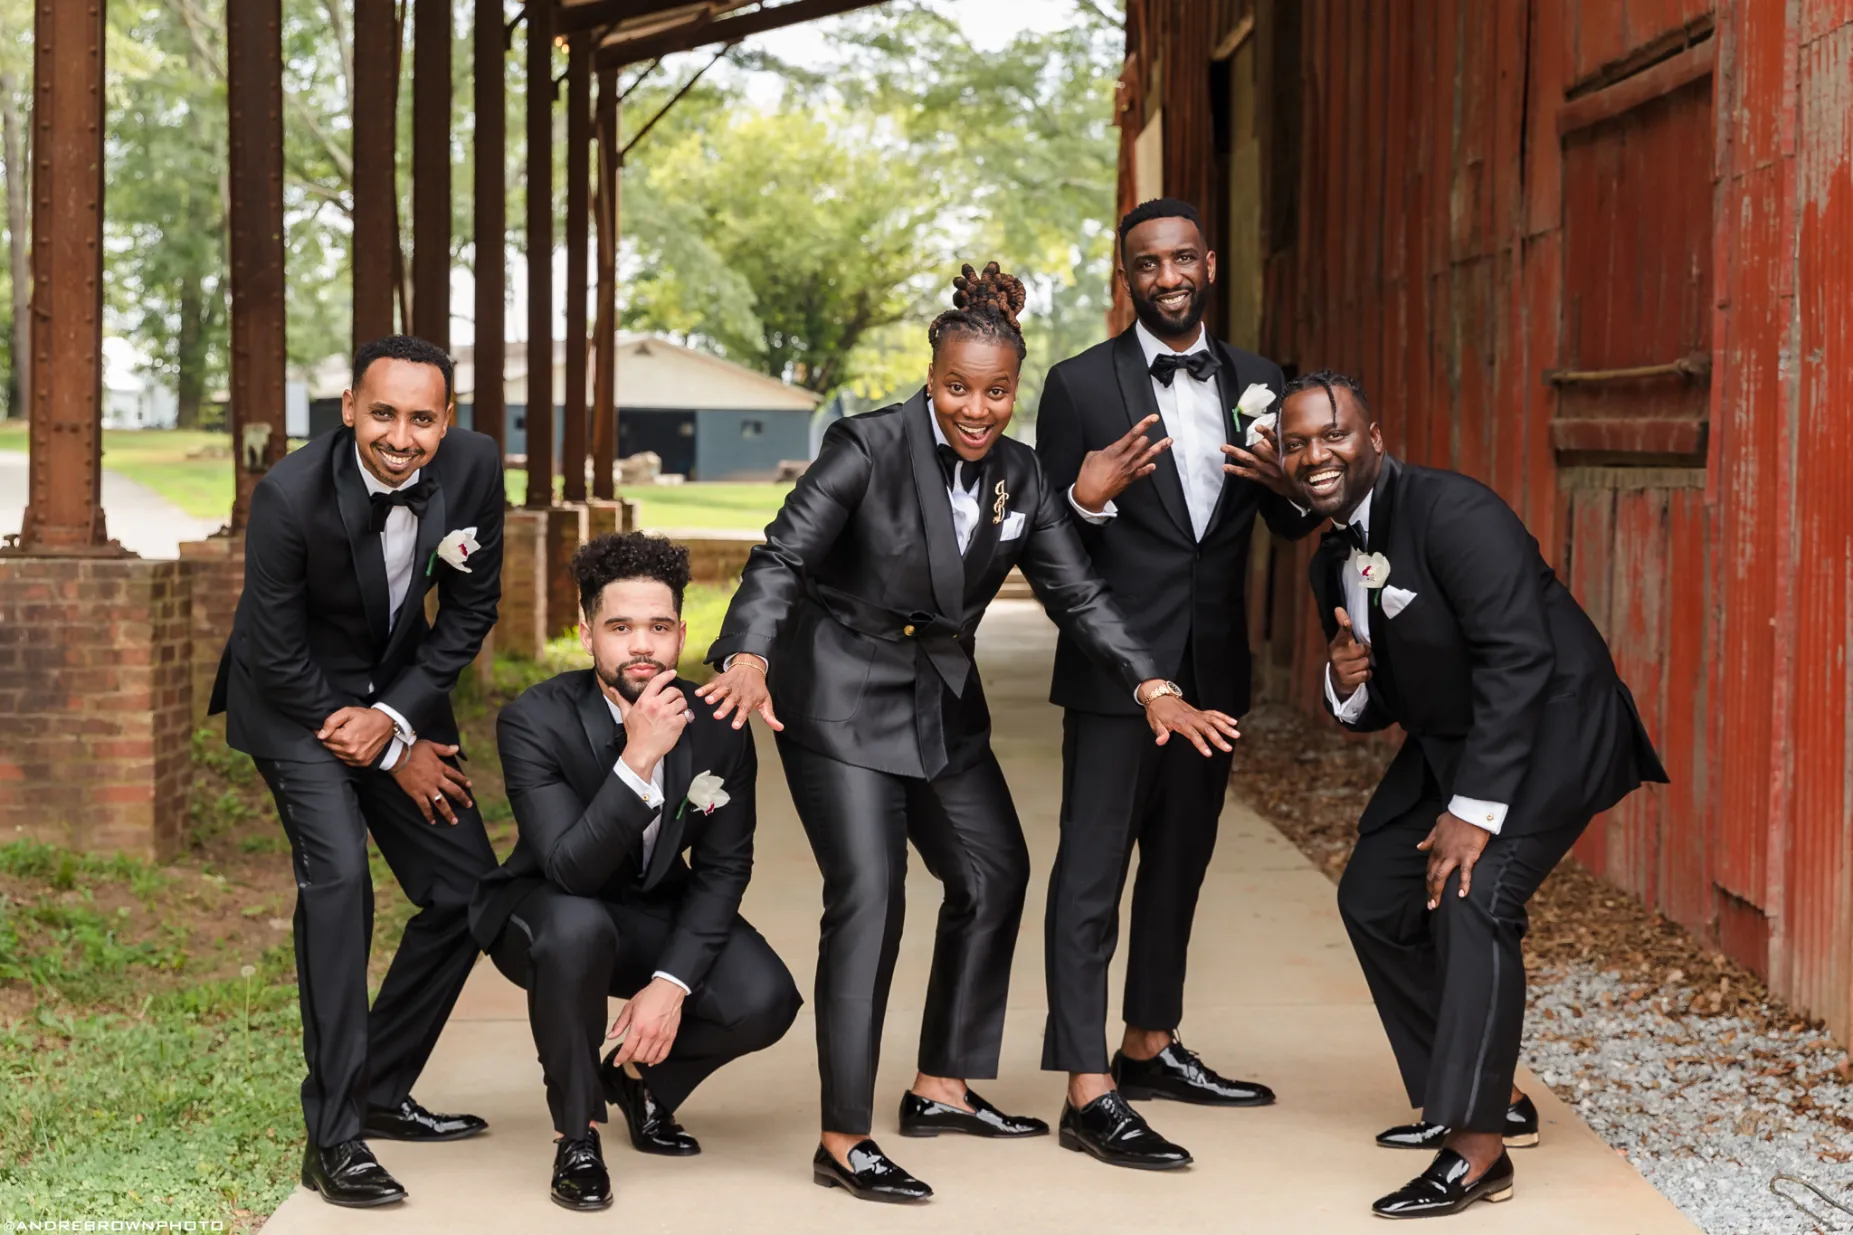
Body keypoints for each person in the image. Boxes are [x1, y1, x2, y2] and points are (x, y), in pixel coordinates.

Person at [698, 263, 1241, 1202]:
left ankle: (942, 1083)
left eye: (996, 392)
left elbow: (1077, 591)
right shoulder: (862, 446)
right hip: (835, 690)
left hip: (937, 697)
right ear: (930, 374)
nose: (977, 409)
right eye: (958, 387)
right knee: (869, 897)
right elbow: (782, 555)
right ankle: (842, 1137)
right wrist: (746, 652)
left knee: (994, 873)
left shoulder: (1024, 473)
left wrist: (1150, 681)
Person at [1274, 370, 1668, 1219]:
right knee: (1373, 896)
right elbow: (1376, 702)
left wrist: (1470, 810)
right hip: (1453, 741)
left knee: (1473, 896)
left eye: (1331, 434)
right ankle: (1477, 1095)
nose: (1314, 455)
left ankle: (1477, 1148)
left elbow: (1520, 656)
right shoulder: (1330, 563)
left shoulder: (1455, 513)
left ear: (1373, 438)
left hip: (1551, 732)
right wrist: (1344, 682)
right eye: (1295, 441)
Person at [1034, 197, 1323, 1167]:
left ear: (1207, 263)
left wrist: (1289, 491)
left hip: (1214, 671)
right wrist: (1085, 495)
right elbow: (1047, 548)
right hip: (1119, 674)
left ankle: (1147, 1043)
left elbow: (1273, 524)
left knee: (1178, 864)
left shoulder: (1256, 379)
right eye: (1144, 264)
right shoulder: (1076, 384)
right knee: (1091, 872)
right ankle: (1086, 1086)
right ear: (1126, 278)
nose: (1165, 277)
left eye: (1179, 259)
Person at [210, 335, 504, 1208]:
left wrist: (400, 719)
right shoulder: (290, 495)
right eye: (383, 413)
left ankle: (380, 1087)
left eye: (422, 417)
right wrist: (380, 741)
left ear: (446, 421)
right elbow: (271, 645)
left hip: (395, 692)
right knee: (339, 882)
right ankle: (333, 1137)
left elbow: (471, 605)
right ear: (348, 409)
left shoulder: (477, 466)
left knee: (468, 891)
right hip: (294, 700)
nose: (402, 436)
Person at [472, 532, 801, 1211]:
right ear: (587, 631)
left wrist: (670, 983)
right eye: (620, 627)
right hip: (544, 911)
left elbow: (722, 867)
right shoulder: (534, 721)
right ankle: (577, 1134)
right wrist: (639, 758)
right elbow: (568, 868)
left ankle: (639, 1080)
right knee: (577, 926)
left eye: (657, 626)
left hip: (647, 907)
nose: (641, 645)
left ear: (682, 631)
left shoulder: (719, 723)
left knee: (764, 995)